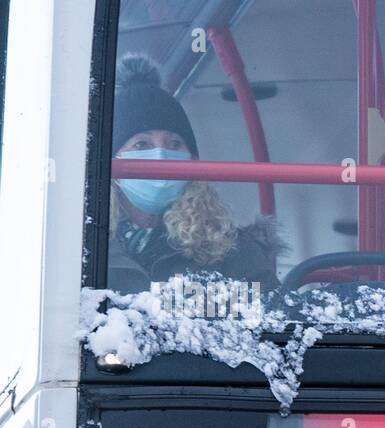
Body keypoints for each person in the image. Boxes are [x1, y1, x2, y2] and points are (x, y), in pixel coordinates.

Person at [108, 55, 282, 294]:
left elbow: (271, 318)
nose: (160, 156)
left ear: (192, 161)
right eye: (141, 145)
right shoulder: (82, 244)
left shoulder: (230, 248)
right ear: (112, 159)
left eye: (174, 143)